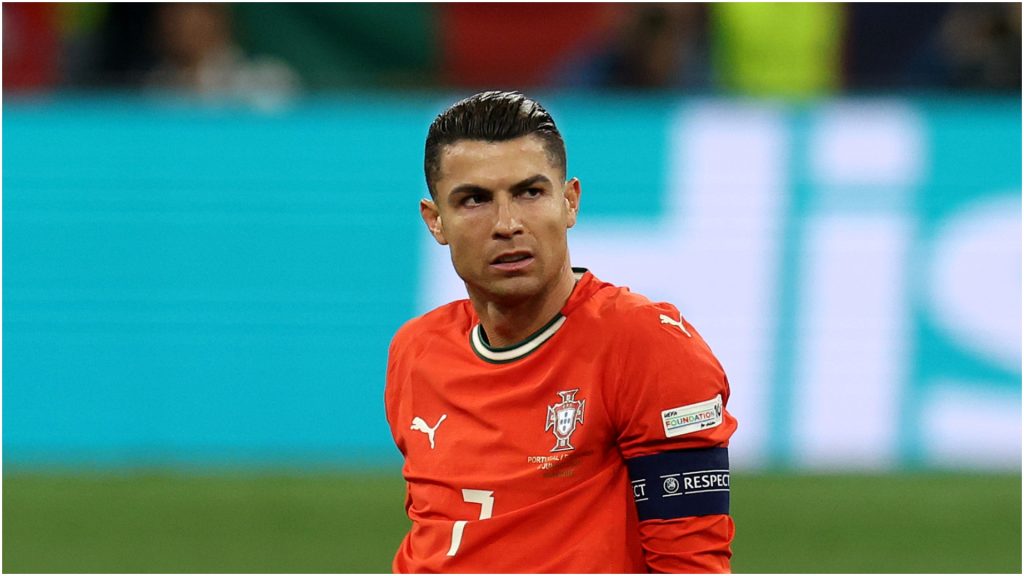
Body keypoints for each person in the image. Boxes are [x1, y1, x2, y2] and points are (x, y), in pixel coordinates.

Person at [384, 90, 737, 573]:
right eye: (474, 200)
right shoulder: (417, 350)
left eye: (530, 193)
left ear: (569, 202)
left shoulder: (647, 345)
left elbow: (691, 563)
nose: (507, 224)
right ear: (435, 221)